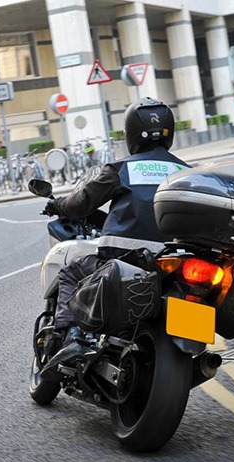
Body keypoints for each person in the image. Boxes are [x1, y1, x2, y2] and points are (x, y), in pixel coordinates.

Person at [40, 98, 188, 376]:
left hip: (121, 258)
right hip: (171, 263)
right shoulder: (186, 172)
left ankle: (72, 339)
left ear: (131, 133)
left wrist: (57, 205)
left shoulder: (120, 169)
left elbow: (81, 203)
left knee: (71, 273)